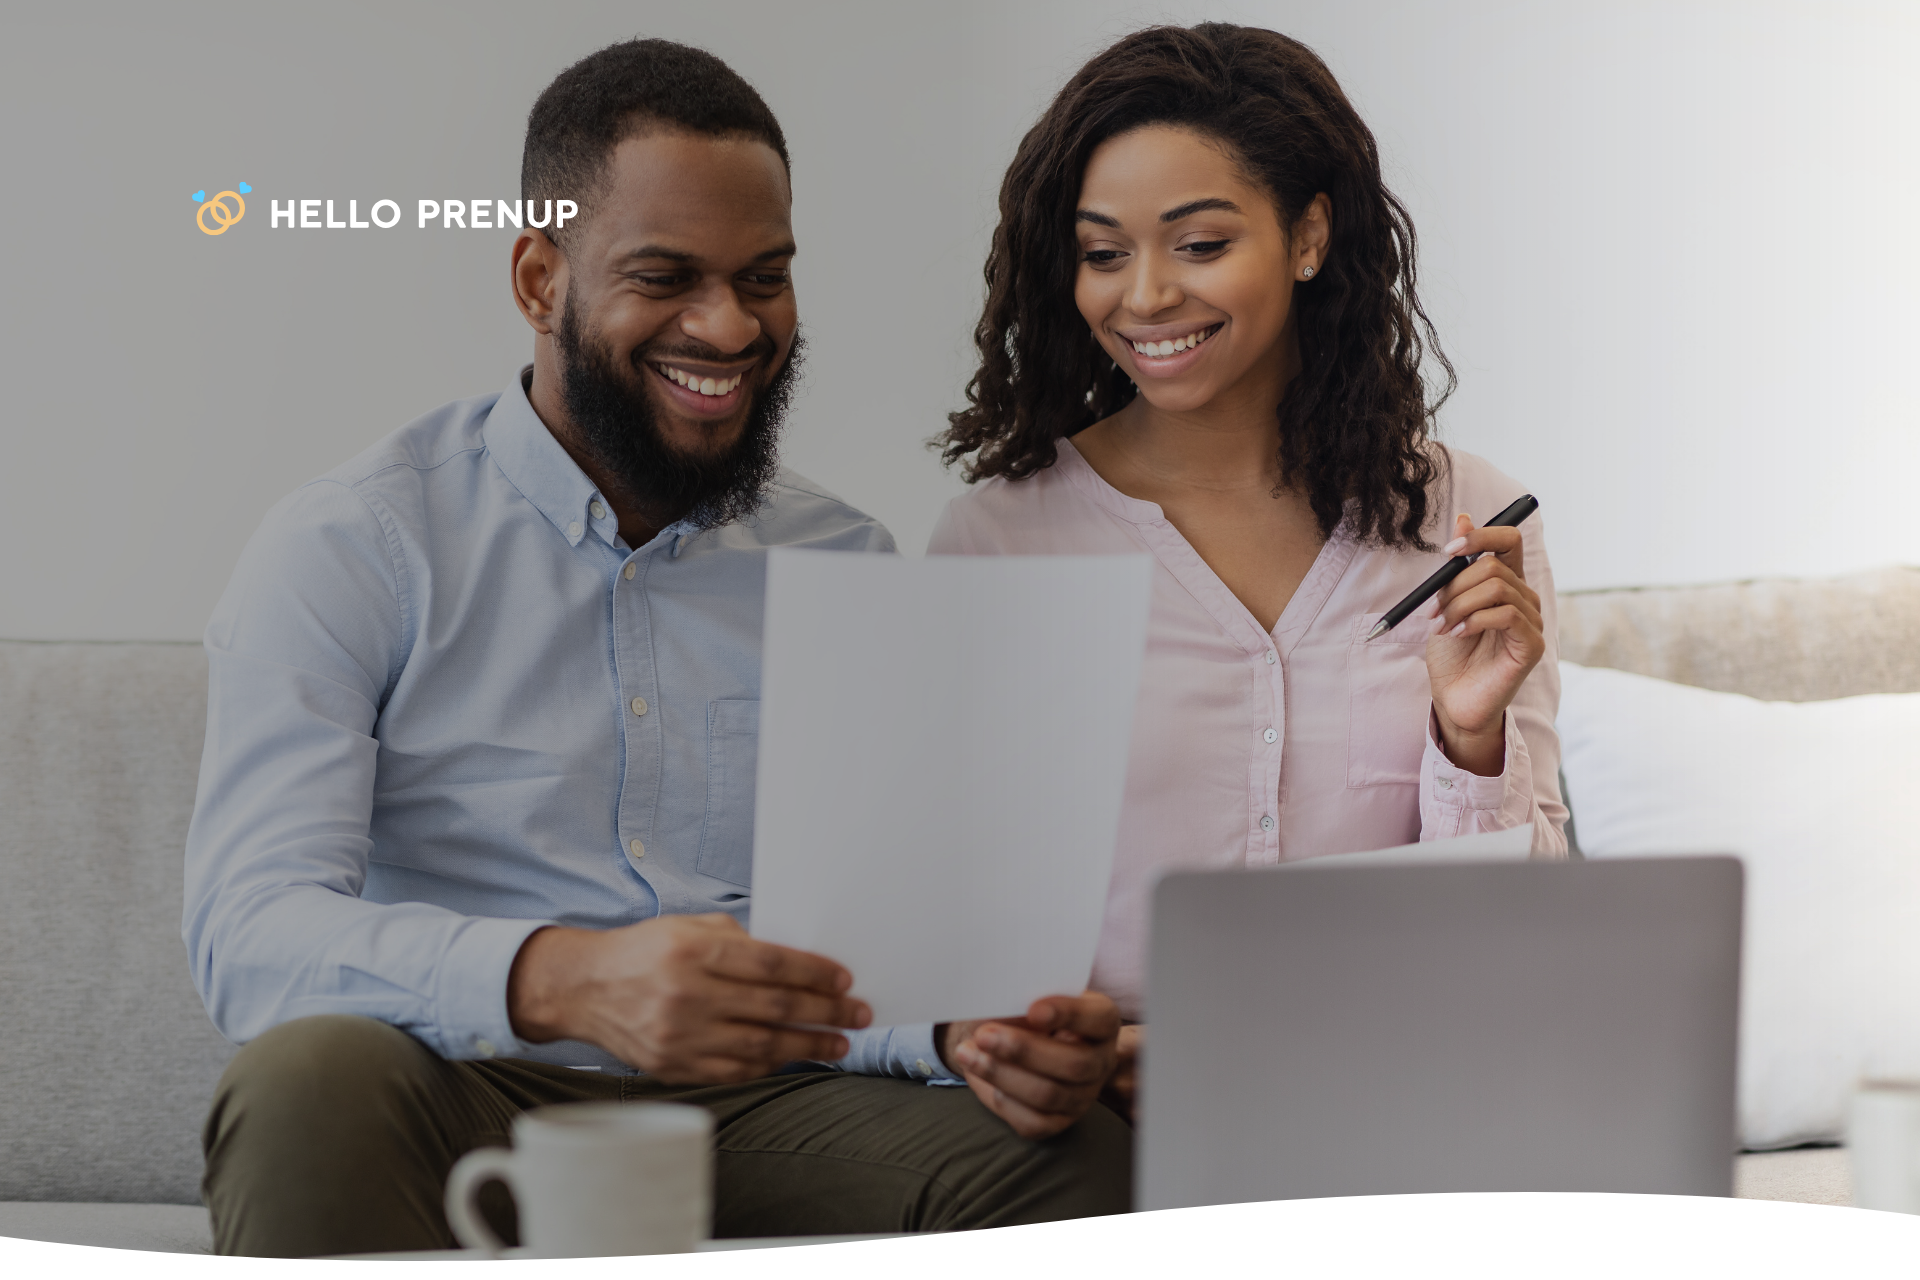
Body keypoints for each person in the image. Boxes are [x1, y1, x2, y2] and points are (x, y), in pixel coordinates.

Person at [183, 38, 1126, 1258]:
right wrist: (563, 977)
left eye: (765, 276)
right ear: (539, 278)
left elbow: (870, 953)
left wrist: (959, 1031)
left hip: (762, 1107)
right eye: (666, 275)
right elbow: (250, 935)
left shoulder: (841, 557)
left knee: (1075, 1157)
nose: (729, 326)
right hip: (471, 1086)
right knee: (304, 1081)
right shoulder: (356, 542)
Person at [929, 23, 1570, 1121]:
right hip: (1104, 1131)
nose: (1144, 297)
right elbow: (942, 938)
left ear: (1309, 235)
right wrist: (1013, 1044)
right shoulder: (997, 545)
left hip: (1397, 1099)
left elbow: (1530, 930)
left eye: (1199, 243)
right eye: (1102, 253)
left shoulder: (1459, 521)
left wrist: (1469, 738)